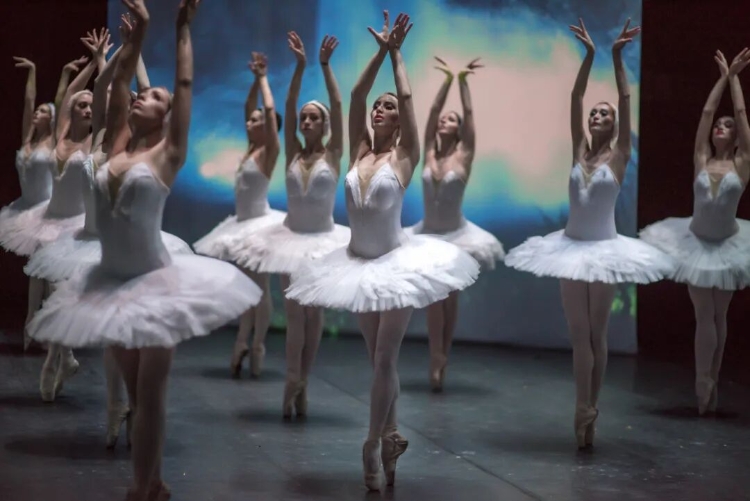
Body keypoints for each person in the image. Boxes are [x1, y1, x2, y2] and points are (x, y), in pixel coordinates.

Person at [27, 1, 262, 498]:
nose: (142, 96)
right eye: (143, 92)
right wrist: (134, 40)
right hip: (111, 284)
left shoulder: (167, 155)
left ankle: (141, 488)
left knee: (151, 395)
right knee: (136, 396)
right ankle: (153, 483)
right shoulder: (116, 148)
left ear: (168, 116)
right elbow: (117, 87)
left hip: (156, 284)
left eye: (153, 96)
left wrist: (180, 29)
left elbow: (184, 85)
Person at [286, 12, 479, 490]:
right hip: (356, 266)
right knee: (377, 360)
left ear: (398, 120)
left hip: (395, 266)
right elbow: (355, 97)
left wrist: (397, 56)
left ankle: (372, 443)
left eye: (387, 107)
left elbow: (408, 99)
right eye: (379, 106)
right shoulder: (358, 152)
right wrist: (376, 53)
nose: (379, 109)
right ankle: (391, 436)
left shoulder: (405, 157)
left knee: (386, 359)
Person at [505, 19, 673, 449]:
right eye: (595, 114)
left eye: (605, 114)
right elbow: (576, 98)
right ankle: (581, 407)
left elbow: (626, 98)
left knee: (597, 334)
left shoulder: (620, 156)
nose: (597, 116)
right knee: (578, 334)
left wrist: (616, 58)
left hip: (604, 251)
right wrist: (589, 57)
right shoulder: (578, 150)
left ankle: (592, 405)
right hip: (569, 248)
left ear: (615, 126)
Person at [24, 16, 191, 447]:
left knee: (121, 334)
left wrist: (135, 50)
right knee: (90, 322)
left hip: (124, 247)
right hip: (86, 242)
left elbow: (145, 90)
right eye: (131, 99)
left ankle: (126, 406)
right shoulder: (103, 140)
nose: (134, 101)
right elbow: (105, 90)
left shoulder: (148, 150)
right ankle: (100, 393)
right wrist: (110, 57)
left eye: (143, 99)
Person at [236, 33, 349, 417]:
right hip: (289, 239)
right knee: (295, 313)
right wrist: (299, 67)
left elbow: (338, 103)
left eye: (313, 117)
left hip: (321, 241)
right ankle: (291, 380)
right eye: (303, 118)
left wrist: (325, 67)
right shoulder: (293, 153)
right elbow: (285, 105)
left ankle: (304, 380)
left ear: (326, 124)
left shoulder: (333, 154)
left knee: (313, 314)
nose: (306, 121)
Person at [640, 48, 750, 415]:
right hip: (696, 243)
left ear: (736, 137)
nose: (720, 127)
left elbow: (742, 115)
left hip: (729, 245)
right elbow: (705, 114)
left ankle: (713, 378)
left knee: (720, 316)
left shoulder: (742, 163)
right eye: (719, 126)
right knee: (705, 315)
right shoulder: (701, 159)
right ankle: (704, 382)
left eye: (727, 126)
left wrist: (735, 79)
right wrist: (721, 79)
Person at [406, 56, 505, 392]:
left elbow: (470, 114)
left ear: (459, 129)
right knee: (437, 295)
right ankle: (436, 356)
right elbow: (432, 112)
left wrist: (462, 83)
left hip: (456, 236)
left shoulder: (465, 155)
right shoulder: (430, 153)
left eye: (451, 119)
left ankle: (442, 355)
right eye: (442, 119)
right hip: (427, 235)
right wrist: (446, 81)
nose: (443, 121)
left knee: (449, 298)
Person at [193, 49, 286, 380]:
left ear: (269, 128)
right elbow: (250, 106)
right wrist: (254, 82)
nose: (250, 122)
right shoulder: (250, 148)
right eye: (250, 120)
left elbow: (269, 111)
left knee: (259, 288)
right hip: (241, 224)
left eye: (256, 121)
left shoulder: (269, 151)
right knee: (248, 288)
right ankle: (242, 341)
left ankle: (257, 345)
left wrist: (264, 80)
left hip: (260, 226)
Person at [0, 53, 87, 351]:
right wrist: (32, 71)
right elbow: (27, 102)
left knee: (45, 271)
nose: (36, 113)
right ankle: (35, 325)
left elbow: (62, 102)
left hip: (48, 210)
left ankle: (46, 327)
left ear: (51, 118)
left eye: (42, 111)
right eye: (36, 112)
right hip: (25, 210)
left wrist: (65, 73)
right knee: (38, 270)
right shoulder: (28, 140)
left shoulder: (54, 141)